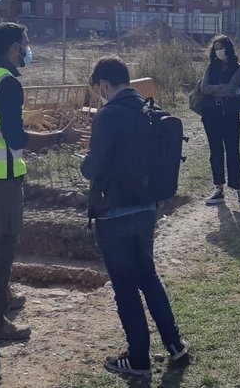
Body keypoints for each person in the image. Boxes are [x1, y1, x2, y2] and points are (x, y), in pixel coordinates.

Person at [0, 22, 84, 342]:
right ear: (15, 48)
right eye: (26, 44)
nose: (29, 50)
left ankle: (1, 296)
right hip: (0, 175)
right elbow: (15, 139)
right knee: (3, 243)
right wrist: (60, 137)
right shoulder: (8, 84)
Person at [82, 56, 189, 378]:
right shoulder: (148, 111)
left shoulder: (108, 116)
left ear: (103, 85)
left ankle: (139, 359)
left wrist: (83, 164)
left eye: (98, 90)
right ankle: (174, 343)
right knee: (148, 277)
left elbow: (94, 167)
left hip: (113, 214)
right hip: (145, 209)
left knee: (126, 288)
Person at [200, 35, 240, 211]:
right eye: (215, 48)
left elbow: (231, 90)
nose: (218, 51)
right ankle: (218, 189)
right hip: (210, 115)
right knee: (215, 151)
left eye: (220, 47)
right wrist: (224, 88)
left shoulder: (239, 69)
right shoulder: (210, 67)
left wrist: (222, 90)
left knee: (233, 152)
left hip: (230, 115)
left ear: (228, 48)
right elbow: (204, 88)